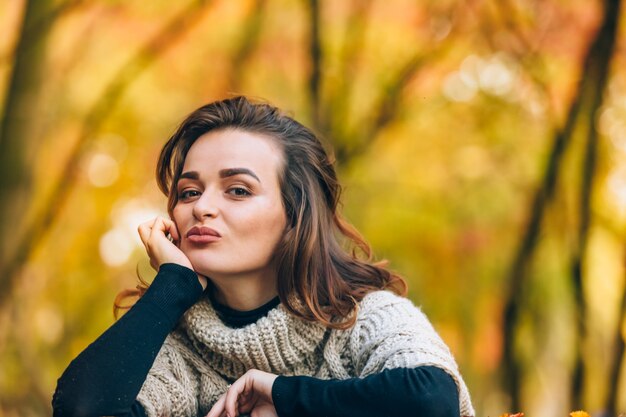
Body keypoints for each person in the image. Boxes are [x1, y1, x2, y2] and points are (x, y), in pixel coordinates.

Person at [52, 96, 475, 417]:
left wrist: (281, 393)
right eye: (189, 192)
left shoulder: (364, 319)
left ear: (295, 215)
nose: (202, 207)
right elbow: (82, 409)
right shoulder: (176, 351)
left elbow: (432, 399)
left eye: (238, 190)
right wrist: (171, 287)